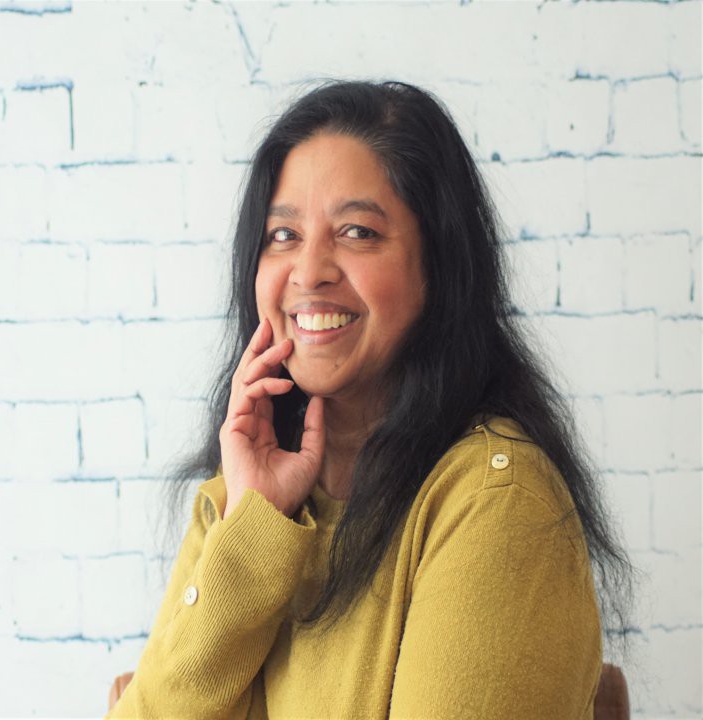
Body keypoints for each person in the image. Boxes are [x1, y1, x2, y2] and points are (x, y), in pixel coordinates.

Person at [106, 79, 636, 719]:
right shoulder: (244, 493)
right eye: (282, 235)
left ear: (438, 267)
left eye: (357, 232)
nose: (309, 272)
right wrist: (253, 527)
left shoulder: (496, 501)